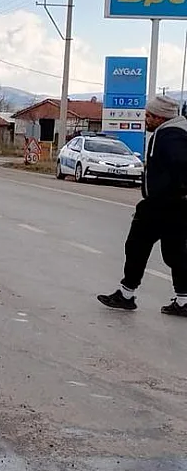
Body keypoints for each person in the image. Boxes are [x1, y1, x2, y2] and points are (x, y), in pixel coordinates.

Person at [97, 94, 187, 316]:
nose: (145, 119)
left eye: (149, 115)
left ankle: (126, 295)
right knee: (175, 252)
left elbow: (181, 165)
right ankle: (183, 301)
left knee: (137, 245)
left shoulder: (169, 135)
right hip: (173, 204)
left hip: (162, 204)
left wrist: (176, 193)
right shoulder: (177, 131)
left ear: (159, 117)